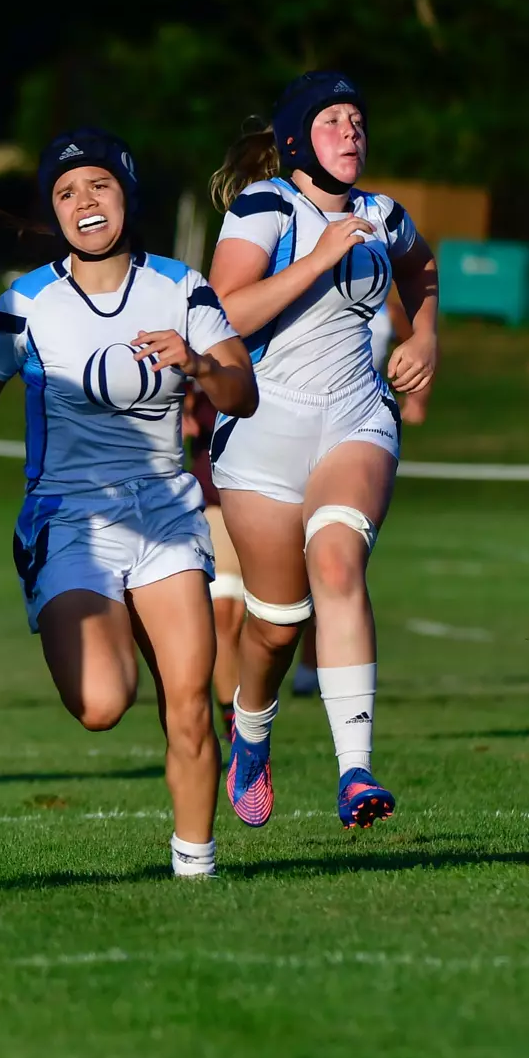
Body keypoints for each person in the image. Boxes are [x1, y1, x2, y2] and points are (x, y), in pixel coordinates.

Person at [0, 130, 258, 878]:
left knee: (189, 701)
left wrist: (200, 364)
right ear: (52, 210)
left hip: (167, 513)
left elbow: (243, 391)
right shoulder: (27, 300)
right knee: (104, 704)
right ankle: (85, 612)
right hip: (69, 518)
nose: (85, 203)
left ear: (126, 195)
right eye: (67, 192)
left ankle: (196, 867)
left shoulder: (181, 287)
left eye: (99, 186)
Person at [207, 71, 438, 829]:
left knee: (338, 562)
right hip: (261, 437)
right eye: (333, 121)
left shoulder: (384, 214)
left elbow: (421, 268)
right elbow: (224, 313)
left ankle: (355, 773)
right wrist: (317, 258)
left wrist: (424, 335)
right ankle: (252, 733)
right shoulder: (266, 207)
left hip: (353, 418)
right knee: (276, 624)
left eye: (357, 120)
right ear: (298, 142)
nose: (350, 131)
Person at [291, 288, 430, 697]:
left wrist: (417, 394)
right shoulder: (305, 279)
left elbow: (416, 339)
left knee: (334, 557)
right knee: (285, 571)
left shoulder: (387, 299)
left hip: (358, 429)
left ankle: (313, 664)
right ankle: (251, 698)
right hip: (296, 425)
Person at [184, 388, 245, 742]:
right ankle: (234, 722)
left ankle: (254, 711)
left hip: (271, 498)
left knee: (265, 623)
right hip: (214, 496)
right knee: (224, 614)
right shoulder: (201, 343)